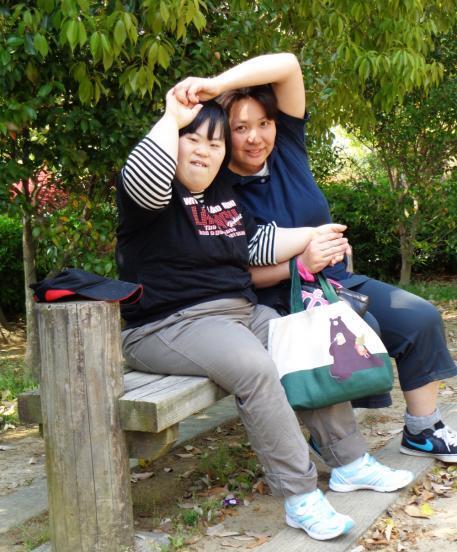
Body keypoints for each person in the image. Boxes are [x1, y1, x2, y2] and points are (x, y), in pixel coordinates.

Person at [115, 86, 413, 541]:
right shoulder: (151, 197)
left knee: (302, 340)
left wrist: (316, 235)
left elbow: (257, 244)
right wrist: (173, 117)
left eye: (215, 143)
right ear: (173, 142)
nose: (203, 151)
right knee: (256, 367)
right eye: (192, 139)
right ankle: (300, 495)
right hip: (170, 324)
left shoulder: (222, 192)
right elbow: (145, 176)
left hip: (237, 312)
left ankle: (350, 462)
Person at [172, 52, 457, 463]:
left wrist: (216, 85)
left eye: (263, 123)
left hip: (335, 282)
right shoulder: (215, 189)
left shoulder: (287, 150)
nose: (255, 138)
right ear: (222, 134)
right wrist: (299, 263)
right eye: (240, 128)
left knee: (420, 317)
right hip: (277, 298)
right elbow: (235, 274)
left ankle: (422, 428)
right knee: (361, 331)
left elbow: (288, 64)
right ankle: (332, 437)